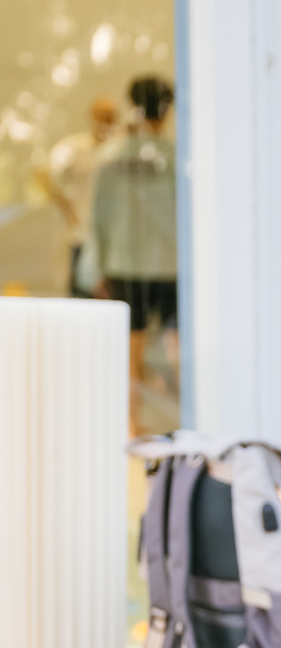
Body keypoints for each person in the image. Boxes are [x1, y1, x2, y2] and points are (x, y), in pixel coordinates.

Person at [85, 75, 178, 404]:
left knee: (131, 344)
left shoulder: (110, 156)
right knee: (175, 340)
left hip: (123, 263)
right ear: (166, 111)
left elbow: (96, 216)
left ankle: (132, 422)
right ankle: (189, 415)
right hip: (168, 263)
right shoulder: (173, 158)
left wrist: (96, 266)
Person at [39, 94, 120, 295]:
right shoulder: (74, 147)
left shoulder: (121, 149)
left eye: (110, 115)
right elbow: (43, 174)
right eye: (102, 114)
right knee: (81, 295)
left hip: (116, 240)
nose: (106, 120)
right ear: (92, 116)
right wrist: (65, 206)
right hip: (81, 235)